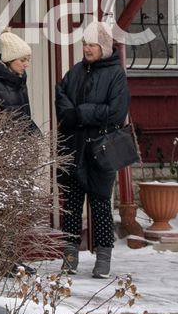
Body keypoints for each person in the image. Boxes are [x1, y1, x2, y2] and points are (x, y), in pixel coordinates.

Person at [53, 20, 135, 275]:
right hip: (73, 147)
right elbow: (62, 101)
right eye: (85, 44)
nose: (87, 49)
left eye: (92, 45)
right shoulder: (75, 72)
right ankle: (70, 255)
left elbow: (117, 112)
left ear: (104, 47)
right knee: (72, 204)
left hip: (102, 149)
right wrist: (75, 115)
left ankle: (103, 258)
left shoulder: (116, 75)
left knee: (100, 204)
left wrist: (82, 113)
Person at [0, 28, 34, 127]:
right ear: (9, 60)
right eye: (22, 60)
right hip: (8, 140)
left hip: (25, 139)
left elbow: (25, 116)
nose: (27, 64)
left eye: (28, 60)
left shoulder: (20, 80)